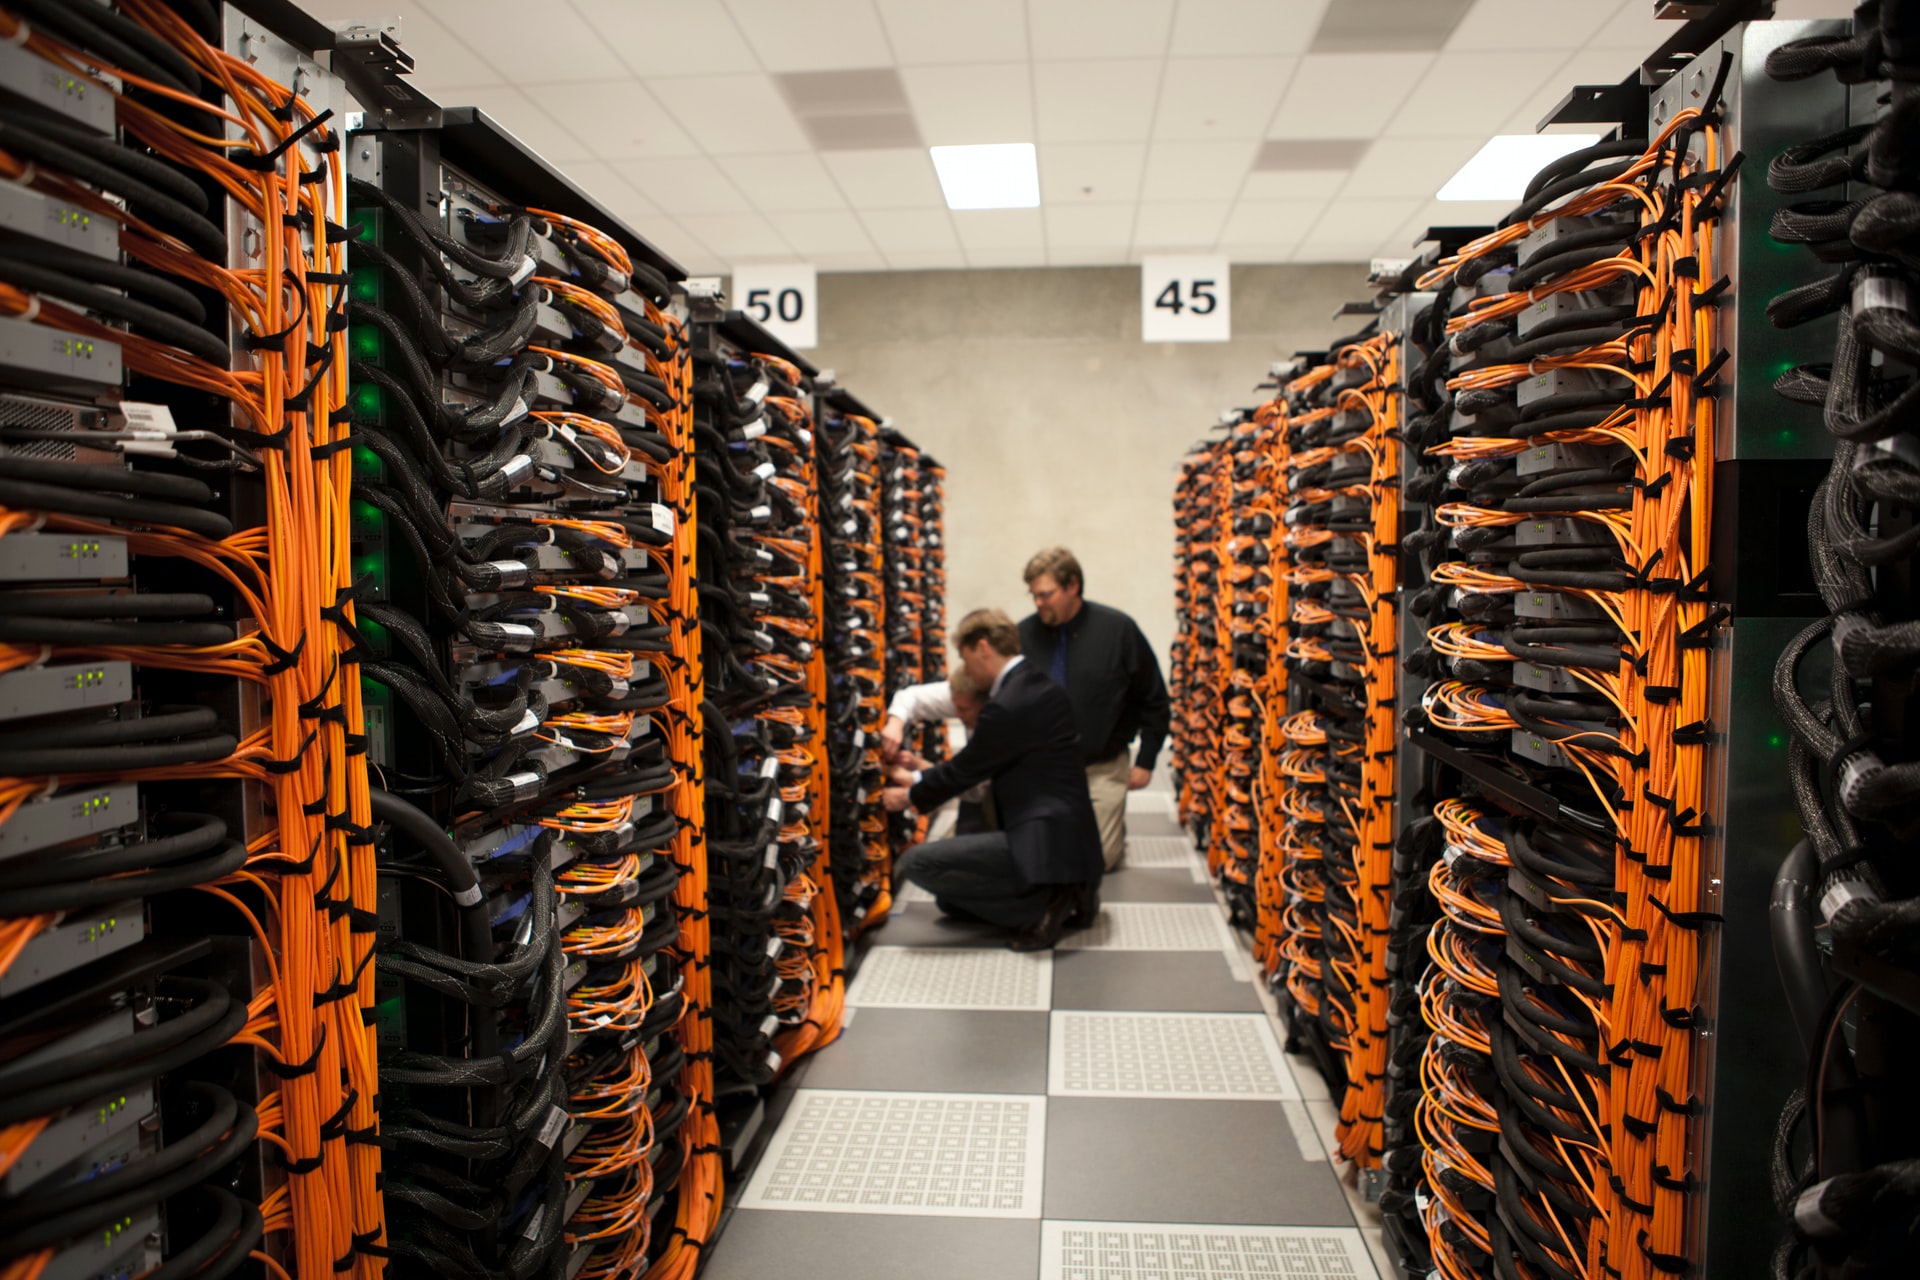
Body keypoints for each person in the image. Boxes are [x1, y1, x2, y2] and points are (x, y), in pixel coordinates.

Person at [880, 608, 1103, 951]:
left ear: (983, 647)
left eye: (966, 659)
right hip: (1071, 837)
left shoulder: (1008, 705)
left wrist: (907, 795)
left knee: (917, 863)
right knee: (950, 903)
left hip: (1041, 836)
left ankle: (1045, 905)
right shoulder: (1037, 684)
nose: (966, 670)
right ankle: (1066, 889)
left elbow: (965, 770)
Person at [1019, 546, 1171, 871]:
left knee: (1096, 859)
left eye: (1046, 595)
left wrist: (1146, 760)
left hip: (1101, 767)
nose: (1039, 604)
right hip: (1039, 769)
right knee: (1023, 848)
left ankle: (1102, 822)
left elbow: (1154, 697)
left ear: (1073, 586)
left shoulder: (1118, 631)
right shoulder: (1023, 635)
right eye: (1034, 596)